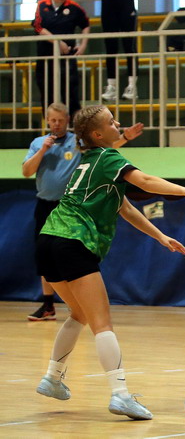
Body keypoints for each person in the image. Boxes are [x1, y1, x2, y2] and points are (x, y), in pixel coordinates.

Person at [35, 105, 185, 419]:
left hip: (48, 240)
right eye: (111, 121)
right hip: (73, 241)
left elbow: (125, 208)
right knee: (101, 322)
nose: (117, 124)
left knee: (79, 313)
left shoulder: (88, 161)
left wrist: (161, 236)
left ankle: (52, 378)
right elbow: (144, 180)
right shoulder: (108, 157)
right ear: (97, 134)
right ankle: (120, 395)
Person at [22, 102, 141, 321]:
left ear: (67, 120)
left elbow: (102, 145)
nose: (56, 124)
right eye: (52, 120)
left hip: (73, 205)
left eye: (60, 120)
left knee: (72, 255)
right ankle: (48, 304)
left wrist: (125, 137)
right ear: (47, 121)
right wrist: (43, 150)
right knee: (46, 254)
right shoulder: (38, 143)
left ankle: (78, 304)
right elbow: (26, 171)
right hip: (46, 205)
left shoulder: (76, 142)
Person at [32, 0, 90, 117]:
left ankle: (74, 126)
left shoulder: (74, 7)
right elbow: (38, 27)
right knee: (47, 94)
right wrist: (57, 42)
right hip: (45, 57)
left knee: (71, 94)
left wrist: (83, 44)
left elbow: (85, 24)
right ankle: (50, 126)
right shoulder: (42, 5)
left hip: (66, 58)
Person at [101, 0, 139, 101]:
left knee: (129, 45)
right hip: (108, 2)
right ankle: (111, 86)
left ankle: (132, 86)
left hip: (126, 2)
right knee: (110, 46)